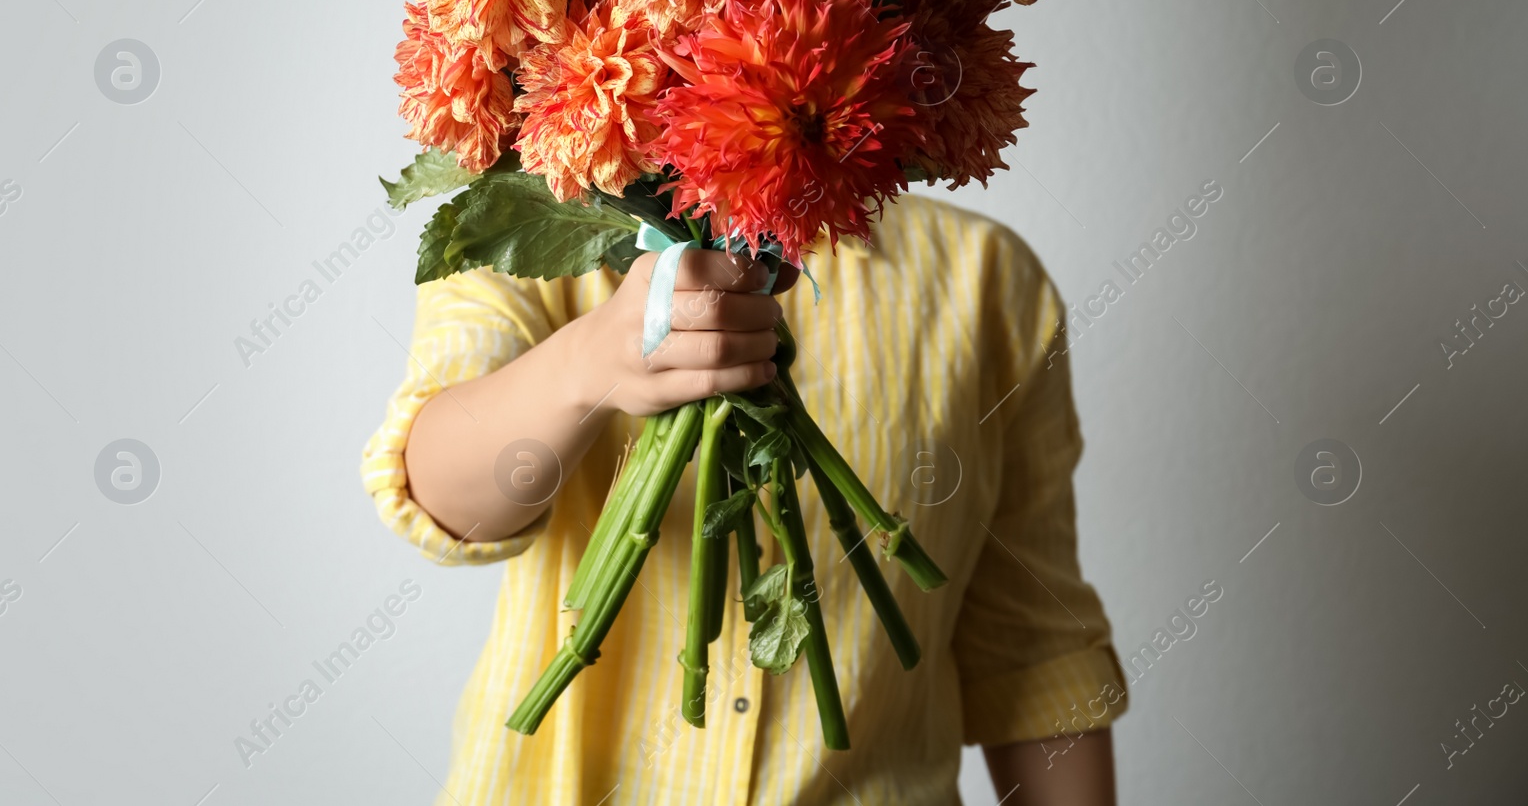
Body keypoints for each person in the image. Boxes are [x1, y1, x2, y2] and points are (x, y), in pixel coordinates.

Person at [362, 193, 1127, 804]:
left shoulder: (985, 278)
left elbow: (1034, 655)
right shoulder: (533, 224)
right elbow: (438, 499)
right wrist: (585, 367)